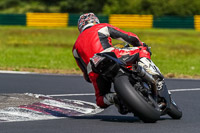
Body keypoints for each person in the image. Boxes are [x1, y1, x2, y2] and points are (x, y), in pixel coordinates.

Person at [72, 13, 160, 114]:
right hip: (110, 55)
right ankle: (151, 72)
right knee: (142, 50)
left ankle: (114, 97)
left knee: (100, 100)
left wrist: (91, 77)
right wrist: (139, 43)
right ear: (95, 20)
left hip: (94, 70)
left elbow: (85, 75)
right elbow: (128, 37)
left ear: (80, 26)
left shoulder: (75, 47)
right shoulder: (101, 27)